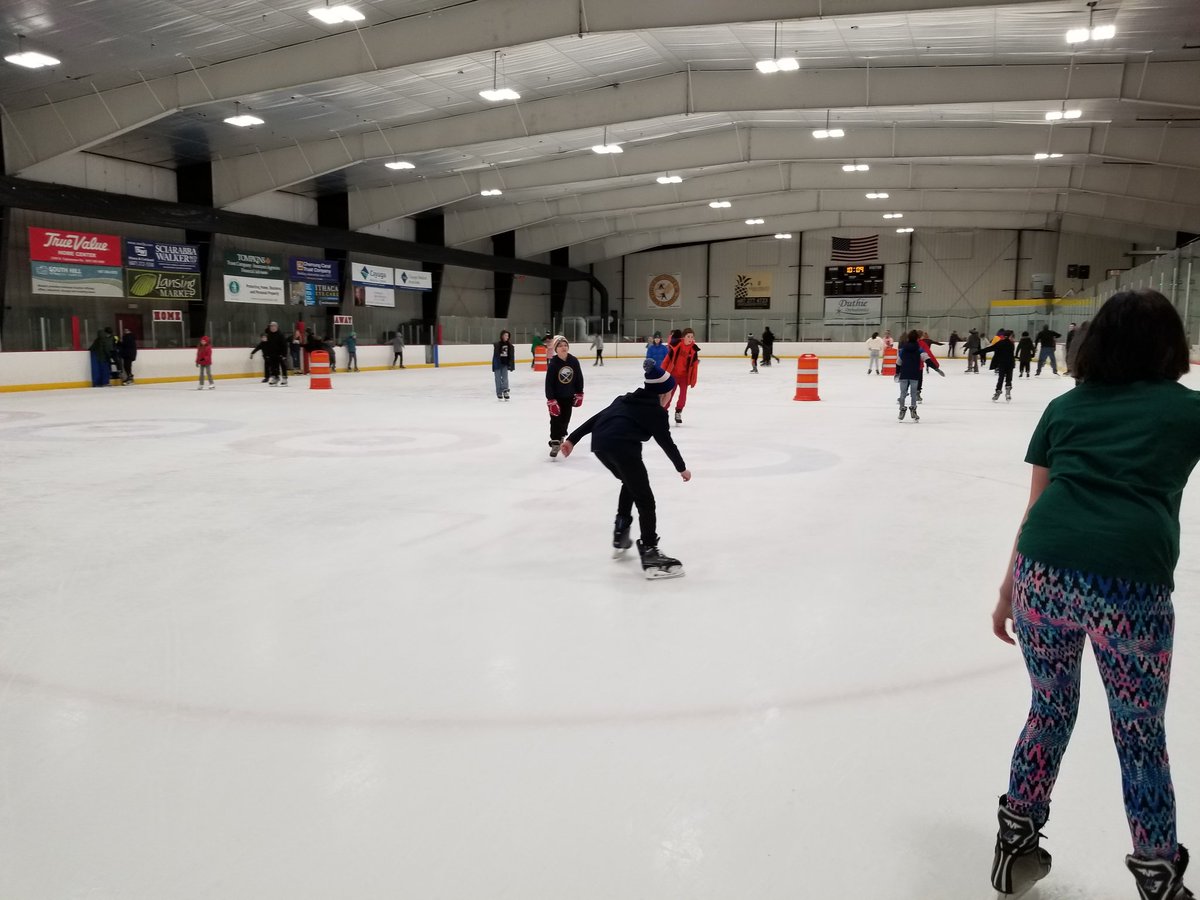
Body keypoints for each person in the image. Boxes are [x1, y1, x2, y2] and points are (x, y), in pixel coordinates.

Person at [988, 289, 1198, 900]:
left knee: (1049, 710)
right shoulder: (1187, 411)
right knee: (1139, 734)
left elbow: (1035, 508)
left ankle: (1015, 843)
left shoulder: (1065, 407)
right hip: (1129, 588)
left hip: (1043, 578)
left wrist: (1008, 591)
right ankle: (1157, 874)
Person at [560, 359, 691, 579]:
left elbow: (597, 418)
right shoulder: (656, 413)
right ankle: (650, 550)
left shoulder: (626, 399)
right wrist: (682, 468)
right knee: (645, 499)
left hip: (601, 445)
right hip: (623, 447)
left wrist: (572, 439)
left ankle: (621, 530)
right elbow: (667, 443)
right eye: (671, 393)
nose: (671, 397)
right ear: (664, 394)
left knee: (630, 484)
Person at [544, 335, 583, 457]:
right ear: (556, 349)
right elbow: (549, 383)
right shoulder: (553, 363)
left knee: (565, 419)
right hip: (556, 398)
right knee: (555, 419)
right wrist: (551, 400)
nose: (563, 347)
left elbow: (578, 378)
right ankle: (555, 442)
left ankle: (561, 436)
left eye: (565, 345)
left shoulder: (573, 361)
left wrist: (579, 393)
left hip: (568, 396)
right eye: (560, 346)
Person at [663, 327, 700, 425]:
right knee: (669, 396)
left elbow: (694, 367)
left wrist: (693, 379)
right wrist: (662, 372)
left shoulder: (693, 349)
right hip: (673, 375)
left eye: (692, 337)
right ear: (684, 337)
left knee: (683, 396)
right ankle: (664, 413)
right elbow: (667, 359)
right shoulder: (677, 346)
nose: (690, 338)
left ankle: (678, 412)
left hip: (684, 377)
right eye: (688, 336)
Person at [894, 330, 928, 422]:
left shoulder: (903, 349)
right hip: (914, 374)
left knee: (902, 393)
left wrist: (897, 373)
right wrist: (936, 368)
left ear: (908, 338)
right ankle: (913, 410)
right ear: (917, 338)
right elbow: (927, 359)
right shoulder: (919, 349)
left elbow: (898, 362)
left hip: (904, 374)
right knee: (913, 394)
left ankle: (901, 410)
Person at [977, 329, 1016, 402]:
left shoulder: (1001, 343)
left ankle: (998, 391)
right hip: (1010, 363)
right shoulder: (1011, 344)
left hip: (1002, 363)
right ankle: (1008, 391)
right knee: (1009, 377)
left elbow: (991, 348)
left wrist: (979, 352)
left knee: (1001, 378)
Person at [492, 329, 515, 400]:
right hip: (498, 364)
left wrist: (511, 365)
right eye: (505, 335)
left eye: (508, 336)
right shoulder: (498, 345)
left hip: (505, 364)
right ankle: (499, 392)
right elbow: (495, 356)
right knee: (498, 379)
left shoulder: (510, 345)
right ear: (502, 336)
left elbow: (511, 356)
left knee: (505, 379)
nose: (507, 337)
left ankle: (505, 391)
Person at [264, 321, 289, 385]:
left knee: (283, 365)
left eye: (273, 326)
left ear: (277, 327)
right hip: (272, 354)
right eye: (271, 326)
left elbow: (284, 345)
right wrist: (267, 354)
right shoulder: (269, 335)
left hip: (280, 354)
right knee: (273, 366)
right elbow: (268, 345)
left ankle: (284, 378)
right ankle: (275, 377)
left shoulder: (280, 334)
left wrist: (284, 354)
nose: (272, 327)